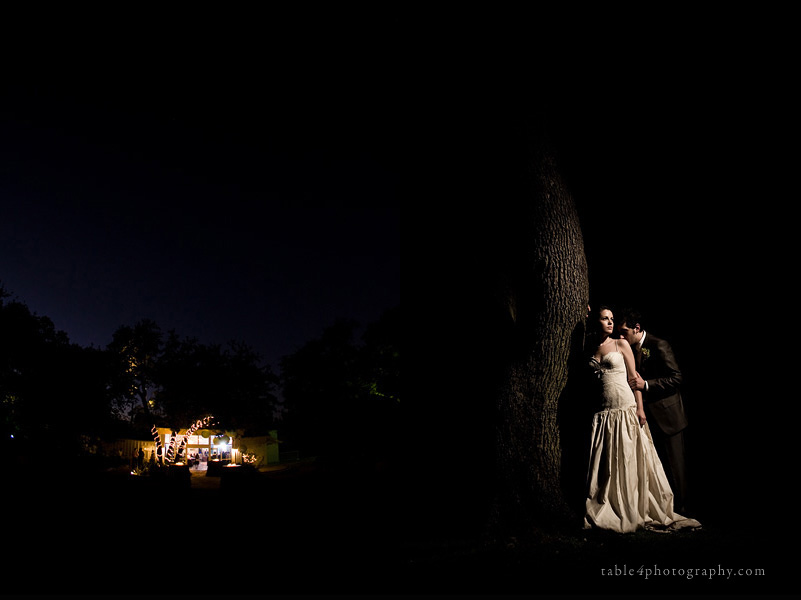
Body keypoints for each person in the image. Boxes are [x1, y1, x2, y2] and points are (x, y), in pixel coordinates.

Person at [583, 305, 699, 533]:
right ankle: (618, 501)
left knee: (666, 464)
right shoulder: (591, 345)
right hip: (609, 410)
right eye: (605, 319)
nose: (613, 325)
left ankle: (682, 507)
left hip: (654, 411)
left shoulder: (641, 345)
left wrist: (641, 401)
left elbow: (646, 378)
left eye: (614, 321)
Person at [617, 307, 690, 514]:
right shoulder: (627, 348)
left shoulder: (658, 345)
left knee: (677, 469)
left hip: (669, 417)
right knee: (658, 468)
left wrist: (646, 385)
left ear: (637, 328)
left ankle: (683, 511)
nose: (621, 336)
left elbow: (676, 378)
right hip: (647, 417)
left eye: (625, 332)